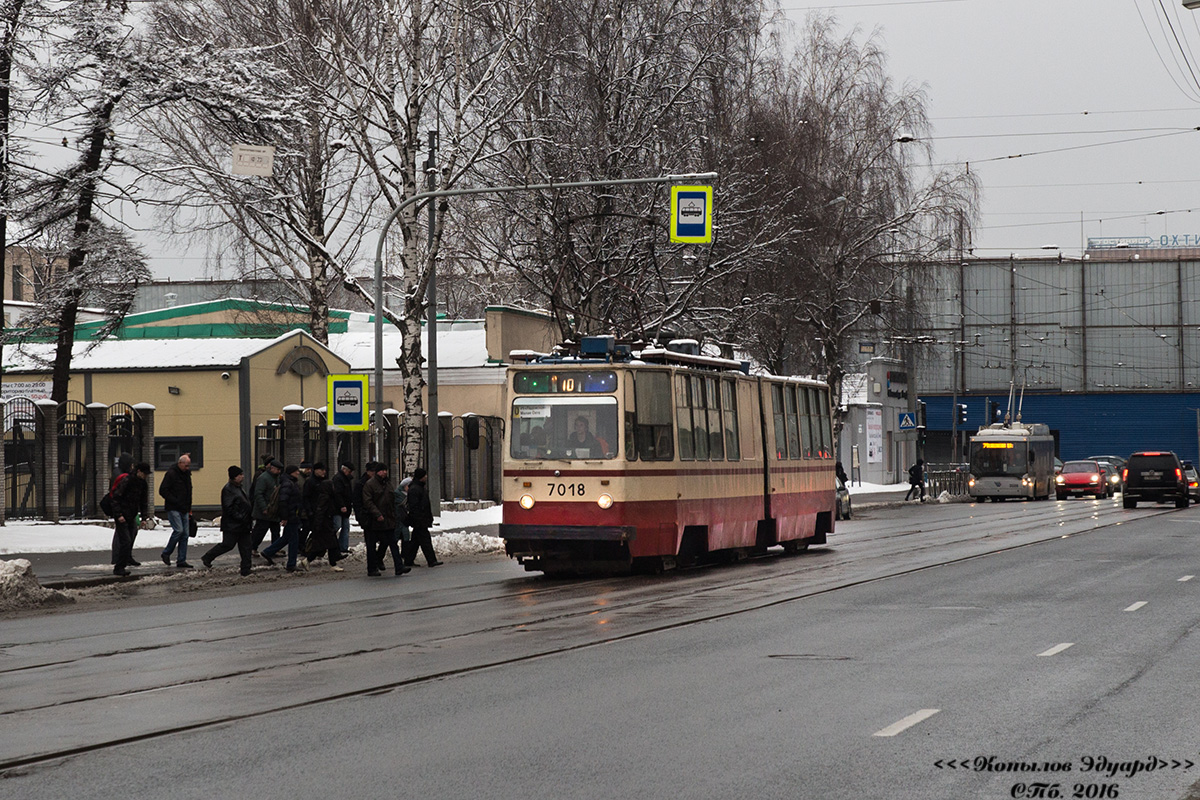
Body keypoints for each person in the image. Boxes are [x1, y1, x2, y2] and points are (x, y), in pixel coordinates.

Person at [202, 466, 254, 576]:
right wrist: (240, 517)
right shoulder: (228, 489)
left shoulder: (238, 488)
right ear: (234, 477)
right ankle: (208, 557)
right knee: (228, 544)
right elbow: (228, 508)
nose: (243, 477)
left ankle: (246, 569)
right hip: (233, 524)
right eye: (240, 475)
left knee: (246, 547)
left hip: (243, 524)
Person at [260, 464, 303, 572]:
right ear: (291, 473)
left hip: (292, 514)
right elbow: (283, 501)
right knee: (294, 540)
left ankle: (268, 552)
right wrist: (285, 517)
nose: (298, 473)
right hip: (291, 515)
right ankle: (291, 564)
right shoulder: (288, 484)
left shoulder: (290, 482)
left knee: (287, 537)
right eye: (296, 471)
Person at [303, 463, 344, 570]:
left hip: (324, 517)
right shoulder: (311, 483)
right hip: (319, 517)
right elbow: (307, 499)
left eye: (324, 470)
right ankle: (331, 562)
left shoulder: (324, 483)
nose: (324, 472)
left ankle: (331, 560)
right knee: (326, 542)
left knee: (326, 542)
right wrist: (311, 514)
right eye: (321, 470)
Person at [361, 462, 400, 577]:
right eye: (382, 470)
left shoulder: (388, 483)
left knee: (392, 543)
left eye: (385, 470)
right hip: (374, 521)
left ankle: (399, 567)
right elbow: (368, 502)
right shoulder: (370, 484)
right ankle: (372, 568)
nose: (384, 472)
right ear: (377, 472)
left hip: (388, 519)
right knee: (372, 545)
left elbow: (392, 500)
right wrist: (377, 514)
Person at [111, 462, 149, 576]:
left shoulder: (143, 484)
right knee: (125, 541)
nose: (146, 476)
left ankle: (126, 560)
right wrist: (118, 515)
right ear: (139, 472)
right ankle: (119, 567)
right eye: (144, 473)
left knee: (130, 538)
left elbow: (143, 502)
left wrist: (143, 517)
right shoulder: (127, 481)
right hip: (122, 515)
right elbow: (115, 498)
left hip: (131, 515)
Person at [159, 453, 195, 569]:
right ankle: (166, 553)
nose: (187, 468)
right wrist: (175, 500)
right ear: (180, 463)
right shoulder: (171, 474)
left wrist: (189, 508)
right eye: (186, 465)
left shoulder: (186, 475)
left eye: (188, 465)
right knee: (179, 531)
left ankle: (181, 560)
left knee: (185, 535)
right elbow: (163, 490)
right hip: (174, 507)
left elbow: (189, 492)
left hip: (184, 508)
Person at [403, 467, 441, 568]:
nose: (426, 477)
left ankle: (408, 561)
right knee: (425, 540)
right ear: (421, 477)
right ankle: (431, 560)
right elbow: (415, 506)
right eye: (424, 475)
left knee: (415, 541)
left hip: (421, 518)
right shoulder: (416, 489)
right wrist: (419, 518)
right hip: (419, 519)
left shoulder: (419, 487)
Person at [250, 460, 283, 552]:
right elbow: (258, 494)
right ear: (272, 468)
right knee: (260, 530)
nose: (279, 471)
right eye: (277, 469)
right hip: (264, 511)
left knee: (276, 531)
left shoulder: (276, 478)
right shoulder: (263, 478)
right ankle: (252, 547)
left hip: (273, 509)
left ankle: (274, 548)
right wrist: (264, 508)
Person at [331, 462, 355, 556]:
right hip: (339, 508)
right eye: (349, 471)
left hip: (345, 507)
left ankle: (343, 547)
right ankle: (333, 545)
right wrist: (342, 505)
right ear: (344, 469)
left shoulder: (345, 479)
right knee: (337, 526)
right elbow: (337, 494)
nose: (351, 473)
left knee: (345, 527)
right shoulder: (338, 479)